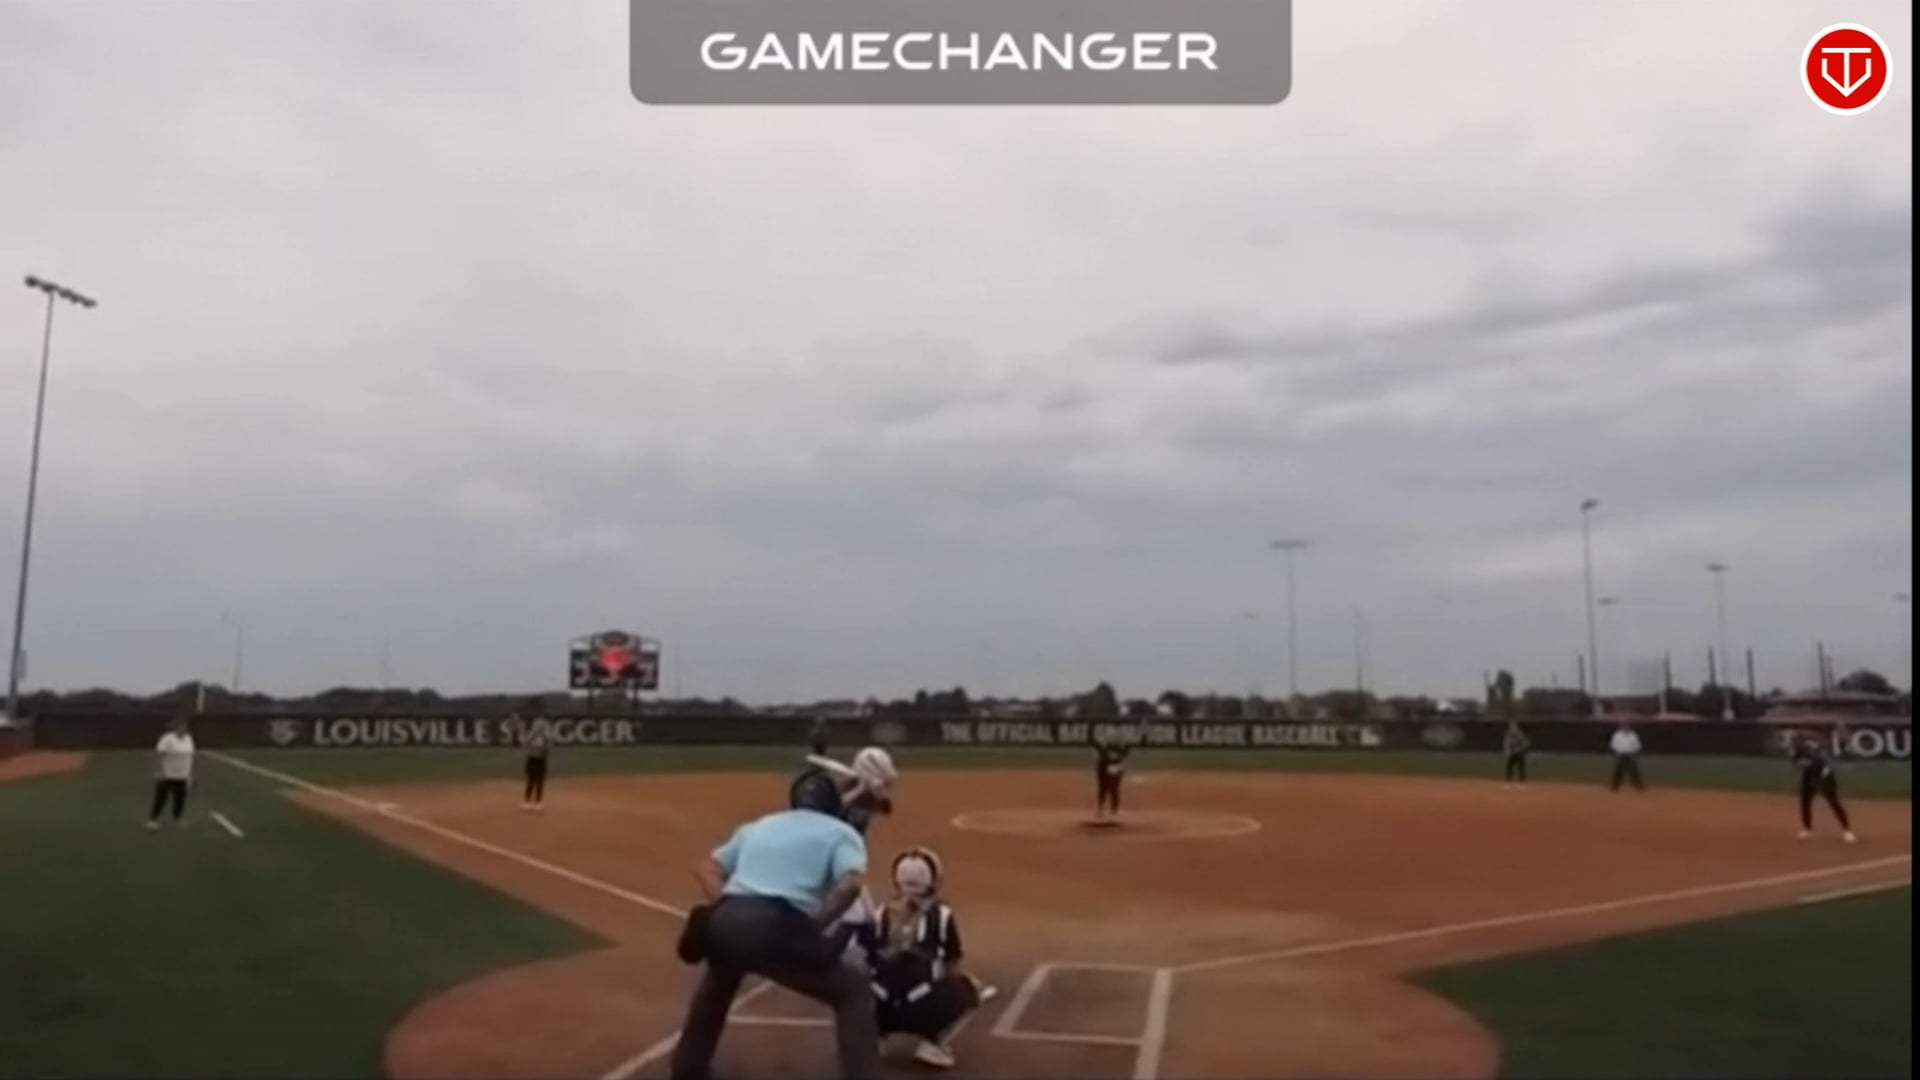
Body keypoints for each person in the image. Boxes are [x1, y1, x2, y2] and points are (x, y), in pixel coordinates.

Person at [670, 773, 879, 1080]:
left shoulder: (759, 825)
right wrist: (816, 924)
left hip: (723, 923)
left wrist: (728, 905)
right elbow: (851, 885)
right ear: (834, 805)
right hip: (776, 925)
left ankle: (687, 1069)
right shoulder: (842, 833)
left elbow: (707, 868)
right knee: (852, 989)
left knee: (719, 980)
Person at [868, 846, 996, 1069]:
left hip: (881, 1005)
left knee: (865, 984)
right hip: (921, 1010)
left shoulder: (881, 913)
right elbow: (953, 961)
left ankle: (872, 1040)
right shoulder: (942, 915)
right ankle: (933, 1045)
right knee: (970, 990)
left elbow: (868, 956)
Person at [1791, 732, 1856, 842]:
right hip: (1809, 776)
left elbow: (1828, 761)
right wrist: (1804, 764)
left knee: (1833, 802)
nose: (1795, 743)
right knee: (1805, 801)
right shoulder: (1798, 751)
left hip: (1825, 776)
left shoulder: (1817, 749)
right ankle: (1807, 829)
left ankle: (1847, 830)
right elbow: (1797, 763)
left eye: (1797, 741)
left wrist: (1823, 770)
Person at [147, 716, 195, 829]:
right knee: (161, 798)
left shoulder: (188, 738)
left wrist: (189, 775)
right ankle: (153, 820)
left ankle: (177, 819)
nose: (183, 729)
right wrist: (158, 771)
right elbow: (159, 754)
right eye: (180, 727)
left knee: (180, 798)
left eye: (185, 727)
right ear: (176, 728)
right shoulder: (167, 738)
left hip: (183, 775)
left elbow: (190, 756)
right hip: (167, 774)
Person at [516, 699, 551, 812]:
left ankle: (532, 802)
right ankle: (535, 802)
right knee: (535, 779)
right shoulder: (537, 725)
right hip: (536, 755)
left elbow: (526, 741)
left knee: (535, 779)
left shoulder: (538, 725)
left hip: (537, 755)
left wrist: (525, 740)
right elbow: (526, 741)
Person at [1093, 733, 1131, 820]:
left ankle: (1113, 811)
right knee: (1103, 789)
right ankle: (1101, 809)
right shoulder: (1104, 747)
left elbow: (1125, 753)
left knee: (1114, 789)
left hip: (1114, 768)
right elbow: (1098, 749)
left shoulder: (1119, 747)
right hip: (1103, 768)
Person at [1607, 719, 1645, 792]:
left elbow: (1637, 745)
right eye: (1624, 726)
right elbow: (1613, 744)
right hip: (1620, 755)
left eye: (1627, 726)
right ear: (1622, 727)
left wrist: (1634, 753)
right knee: (1619, 771)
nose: (1625, 727)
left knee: (1634, 771)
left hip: (1630, 755)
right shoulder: (1617, 735)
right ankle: (1615, 786)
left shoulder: (1633, 735)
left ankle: (1639, 786)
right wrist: (1616, 752)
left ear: (1629, 727)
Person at [1502, 720, 1531, 785]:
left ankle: (1522, 781)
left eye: (1513, 727)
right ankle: (1508, 780)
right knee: (1510, 767)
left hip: (1519, 753)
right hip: (1512, 753)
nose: (1512, 728)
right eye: (1511, 727)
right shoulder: (1508, 735)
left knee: (1521, 767)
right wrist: (1507, 752)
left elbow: (1526, 743)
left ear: (1516, 727)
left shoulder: (1520, 734)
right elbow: (1506, 743)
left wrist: (1521, 749)